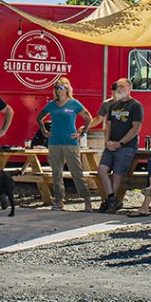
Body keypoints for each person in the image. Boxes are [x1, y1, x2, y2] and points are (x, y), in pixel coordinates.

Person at [36, 77, 93, 211]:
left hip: (70, 142)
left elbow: (88, 118)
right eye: (56, 87)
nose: (58, 90)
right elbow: (39, 118)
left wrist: (82, 132)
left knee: (76, 172)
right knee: (57, 173)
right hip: (54, 142)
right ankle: (58, 201)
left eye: (61, 87)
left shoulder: (74, 103)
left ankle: (87, 201)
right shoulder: (52, 104)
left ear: (67, 89)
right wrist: (44, 131)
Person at [97, 77, 144, 213]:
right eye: (118, 87)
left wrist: (120, 143)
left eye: (122, 86)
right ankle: (112, 199)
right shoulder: (113, 106)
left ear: (129, 88)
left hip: (126, 146)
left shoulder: (135, 106)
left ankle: (110, 203)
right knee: (102, 170)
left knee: (117, 174)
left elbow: (136, 128)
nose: (119, 89)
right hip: (111, 145)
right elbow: (108, 124)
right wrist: (107, 141)